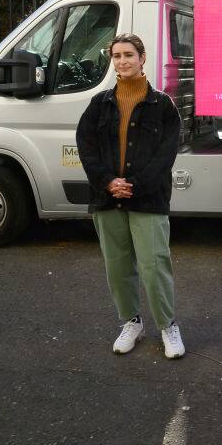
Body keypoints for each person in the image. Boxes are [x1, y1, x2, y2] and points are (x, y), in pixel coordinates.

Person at [76, 33, 185, 359]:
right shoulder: (99, 104)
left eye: (128, 55)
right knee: (118, 267)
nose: (122, 61)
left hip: (148, 199)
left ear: (142, 58)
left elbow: (165, 156)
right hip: (107, 198)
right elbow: (87, 148)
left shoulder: (162, 105)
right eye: (117, 56)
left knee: (154, 266)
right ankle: (131, 322)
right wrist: (108, 182)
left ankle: (167, 325)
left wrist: (133, 184)